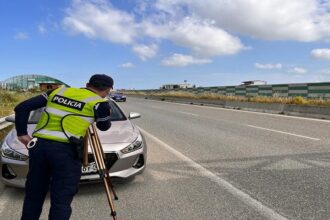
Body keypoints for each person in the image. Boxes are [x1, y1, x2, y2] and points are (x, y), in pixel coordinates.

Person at [15, 74, 114, 220]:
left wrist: (22, 134)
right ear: (108, 90)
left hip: (39, 147)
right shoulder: (99, 103)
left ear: (87, 84)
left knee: (34, 195)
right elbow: (104, 126)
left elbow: (21, 108)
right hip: (65, 152)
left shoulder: (59, 91)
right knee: (61, 200)